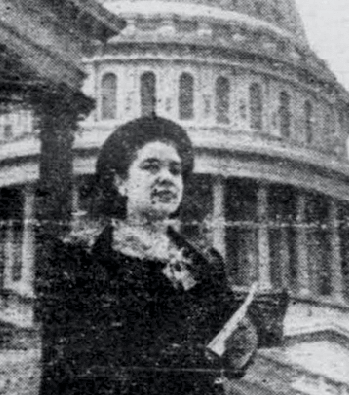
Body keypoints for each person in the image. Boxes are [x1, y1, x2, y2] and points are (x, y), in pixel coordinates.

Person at [39, 116, 258, 395]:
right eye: (150, 166)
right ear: (121, 182)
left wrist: (242, 344)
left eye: (176, 170)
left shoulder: (203, 260)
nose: (166, 178)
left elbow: (227, 347)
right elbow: (64, 367)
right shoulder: (79, 255)